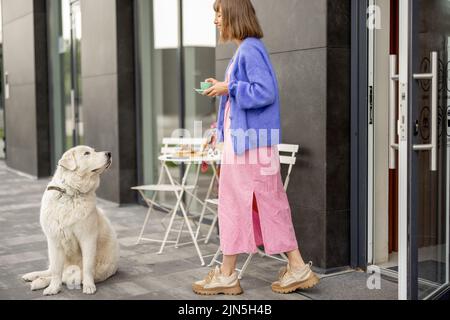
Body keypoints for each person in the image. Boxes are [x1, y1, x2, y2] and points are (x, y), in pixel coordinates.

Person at [192, 0, 319, 296]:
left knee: (238, 203)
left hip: (248, 147)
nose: (216, 22)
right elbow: (247, 92)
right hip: (251, 145)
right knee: (265, 202)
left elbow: (265, 92)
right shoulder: (247, 49)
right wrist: (225, 87)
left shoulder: (249, 49)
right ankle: (295, 267)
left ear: (234, 16)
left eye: (219, 15)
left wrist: (229, 87)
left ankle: (228, 275)